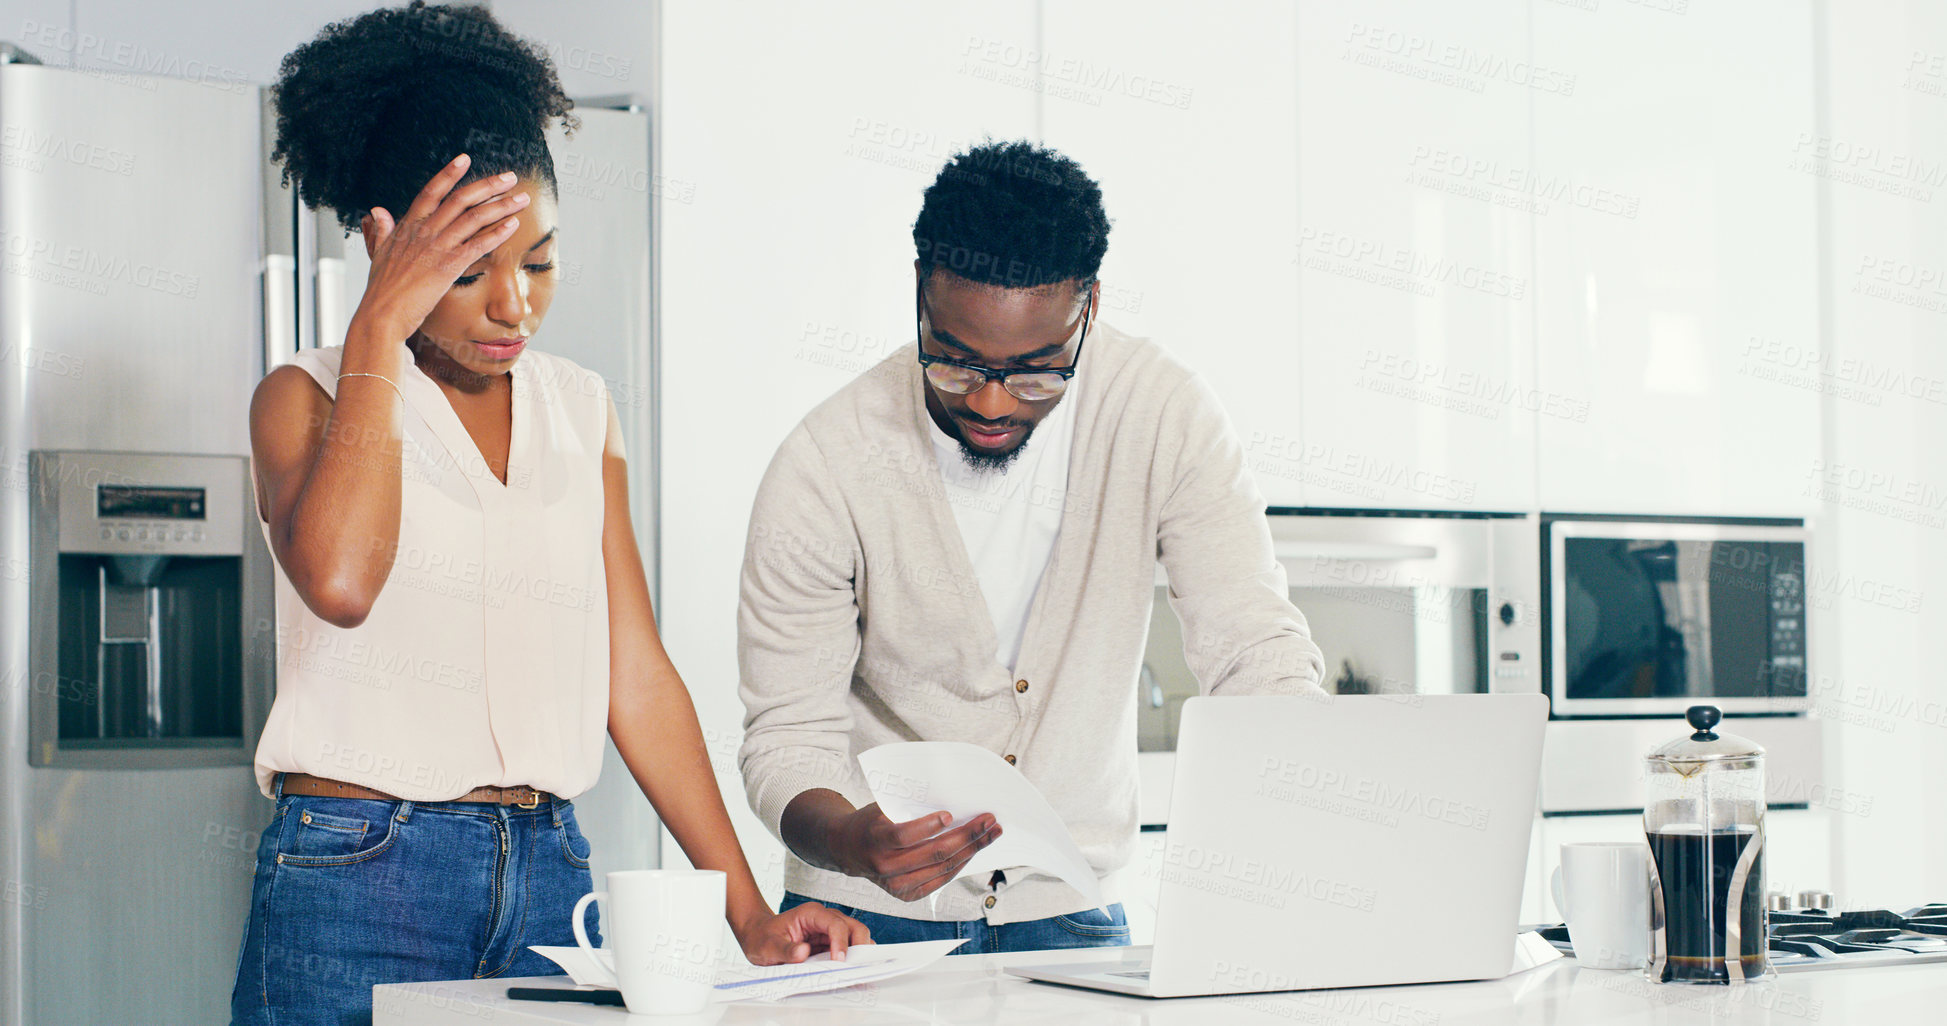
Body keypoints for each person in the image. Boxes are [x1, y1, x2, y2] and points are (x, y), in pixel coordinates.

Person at [231, 6, 865, 1024]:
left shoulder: (580, 406)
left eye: (537, 261)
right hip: (357, 873)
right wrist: (379, 325)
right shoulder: (305, 396)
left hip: (550, 871)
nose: (513, 307)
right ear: (384, 247)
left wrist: (746, 912)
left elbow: (635, 672)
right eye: (468, 271)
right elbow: (341, 580)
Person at [737, 140, 1328, 953]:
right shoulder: (826, 461)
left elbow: (1254, 651)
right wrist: (852, 843)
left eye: (1036, 372)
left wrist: (1311, 809)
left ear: (1088, 307)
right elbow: (784, 740)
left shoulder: (1163, 415)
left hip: (1076, 912)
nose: (987, 400)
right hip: (863, 920)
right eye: (953, 360)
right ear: (918, 290)